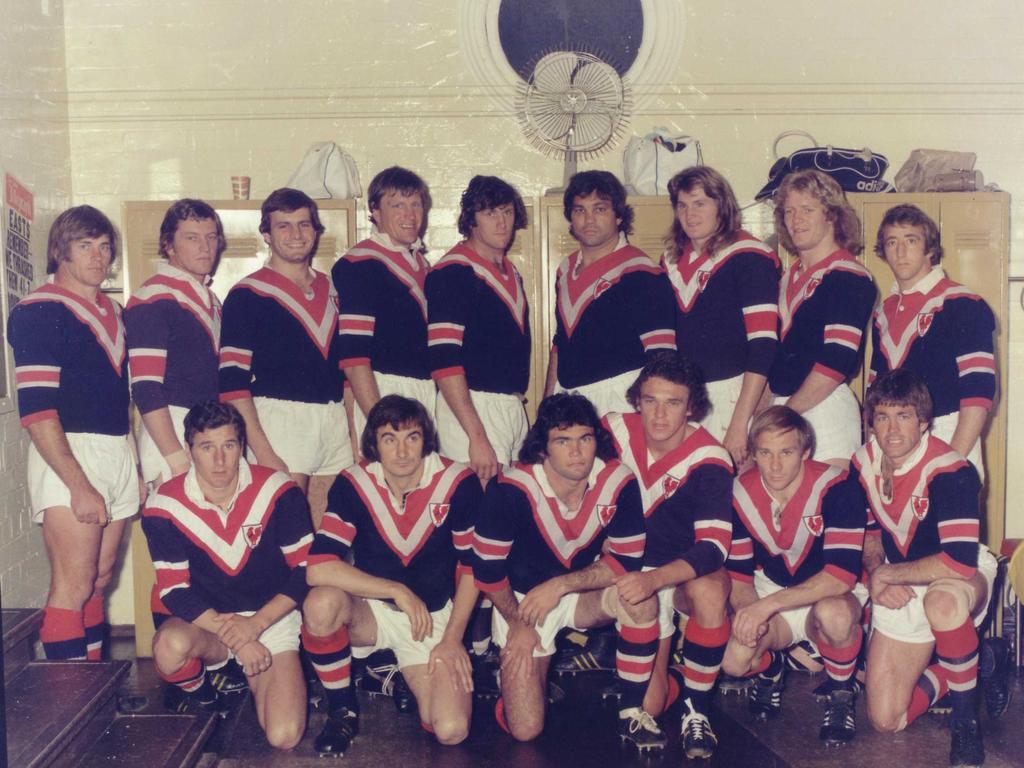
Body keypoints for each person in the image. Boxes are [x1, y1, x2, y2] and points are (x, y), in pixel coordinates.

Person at [473, 393, 665, 752]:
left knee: (640, 597)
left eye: (585, 438)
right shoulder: (511, 490)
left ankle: (631, 711)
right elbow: (485, 572)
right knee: (526, 729)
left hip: (577, 592)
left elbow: (627, 561)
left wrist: (560, 585)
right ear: (543, 448)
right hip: (523, 603)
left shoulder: (617, 480)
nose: (577, 452)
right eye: (563, 441)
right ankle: (514, 679)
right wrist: (518, 624)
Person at [302, 396, 481, 755]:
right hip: (373, 612)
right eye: (389, 438)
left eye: (411, 438)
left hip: (432, 620)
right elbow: (319, 566)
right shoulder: (354, 482)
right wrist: (396, 590)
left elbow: (474, 568)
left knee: (450, 729)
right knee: (321, 604)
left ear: (426, 439)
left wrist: (453, 637)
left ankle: (389, 670)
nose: (401, 452)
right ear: (374, 444)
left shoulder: (457, 481)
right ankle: (342, 710)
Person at [7, 205, 140, 662]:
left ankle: (93, 693)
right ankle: (69, 706)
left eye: (105, 247)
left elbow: (120, 400)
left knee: (100, 580)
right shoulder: (40, 311)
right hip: (68, 453)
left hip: (115, 449)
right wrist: (77, 483)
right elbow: (38, 412)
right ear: (60, 251)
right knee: (73, 582)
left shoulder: (113, 311)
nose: (98, 257)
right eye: (86, 246)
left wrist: (133, 464)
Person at [142, 400, 310, 748]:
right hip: (210, 625)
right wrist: (240, 638)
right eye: (207, 447)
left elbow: (305, 571)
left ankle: (250, 677)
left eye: (228, 445)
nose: (219, 460)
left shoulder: (279, 490)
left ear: (242, 447)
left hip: (271, 620)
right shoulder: (163, 505)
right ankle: (207, 699)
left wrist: (256, 626)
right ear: (189, 451)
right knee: (169, 647)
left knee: (285, 736)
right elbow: (174, 590)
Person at [855, 369, 996, 768]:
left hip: (957, 575)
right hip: (898, 574)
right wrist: (877, 573)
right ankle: (975, 660)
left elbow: (957, 560)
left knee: (944, 605)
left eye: (904, 415)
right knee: (886, 720)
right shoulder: (861, 464)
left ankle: (966, 724)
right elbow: (862, 537)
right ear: (871, 423)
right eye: (882, 417)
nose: (892, 428)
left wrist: (888, 574)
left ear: (924, 422)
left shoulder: (953, 470)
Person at [603, 352, 733, 759]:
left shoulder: (711, 457)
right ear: (636, 400)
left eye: (673, 403)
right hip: (624, 569)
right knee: (648, 706)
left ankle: (697, 708)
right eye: (649, 400)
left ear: (691, 405)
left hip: (677, 576)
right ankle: (678, 670)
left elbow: (713, 547)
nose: (659, 415)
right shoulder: (610, 431)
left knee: (711, 593)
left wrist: (654, 581)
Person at [722, 406, 868, 746]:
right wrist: (751, 615)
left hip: (827, 594)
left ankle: (841, 692)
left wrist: (765, 607)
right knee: (734, 662)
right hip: (774, 590)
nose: (774, 466)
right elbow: (741, 577)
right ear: (753, 453)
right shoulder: (738, 493)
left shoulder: (838, 486)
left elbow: (840, 576)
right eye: (765, 453)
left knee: (836, 614)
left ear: (806, 451)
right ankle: (773, 667)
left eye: (786, 452)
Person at [218, 187, 349, 525]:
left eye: (304, 225)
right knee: (286, 536)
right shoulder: (247, 294)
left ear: (316, 231)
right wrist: (264, 452)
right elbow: (232, 386)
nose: (296, 234)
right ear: (266, 234)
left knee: (331, 537)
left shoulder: (334, 290)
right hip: (280, 421)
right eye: (284, 226)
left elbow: (347, 372)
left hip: (334, 421)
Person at [662, 166, 780, 466]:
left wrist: (740, 424)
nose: (690, 214)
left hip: (733, 396)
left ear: (721, 206)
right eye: (682, 205)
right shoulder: (671, 261)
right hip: (684, 400)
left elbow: (763, 345)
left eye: (700, 203)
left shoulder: (750, 256)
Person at [869, 204, 995, 481]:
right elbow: (876, 391)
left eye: (911, 240)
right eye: (892, 242)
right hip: (894, 437)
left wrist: (953, 461)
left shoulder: (962, 302)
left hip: (948, 431)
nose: (900, 252)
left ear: (929, 249)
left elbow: (978, 392)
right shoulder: (883, 311)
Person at [544, 170, 676, 417]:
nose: (589, 219)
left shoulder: (642, 272)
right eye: (580, 210)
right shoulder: (565, 270)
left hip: (621, 401)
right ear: (570, 218)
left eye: (600, 209)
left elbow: (662, 358)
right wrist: (547, 408)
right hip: (569, 401)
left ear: (618, 216)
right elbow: (559, 346)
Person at [426, 175, 531, 484]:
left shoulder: (511, 271)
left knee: (511, 511)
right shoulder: (454, 271)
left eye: (507, 212)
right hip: (473, 408)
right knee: (480, 516)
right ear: (471, 220)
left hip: (510, 406)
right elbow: (444, 362)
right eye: (489, 214)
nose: (501, 223)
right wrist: (476, 435)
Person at [768, 170, 877, 467]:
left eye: (807, 209)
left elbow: (836, 360)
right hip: (783, 405)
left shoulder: (849, 275)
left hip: (823, 408)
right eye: (789, 211)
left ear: (831, 215)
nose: (795, 219)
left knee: (827, 507)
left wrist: (784, 415)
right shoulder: (786, 277)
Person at [126, 198, 225, 486]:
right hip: (173, 431)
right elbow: (145, 387)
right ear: (169, 245)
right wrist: (174, 456)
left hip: (210, 429)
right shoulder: (153, 297)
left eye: (211, 237)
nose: (205, 247)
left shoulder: (210, 299)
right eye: (192, 238)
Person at [334, 167, 436, 440]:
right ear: (375, 211)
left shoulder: (420, 263)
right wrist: (379, 425)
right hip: (384, 392)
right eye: (397, 205)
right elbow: (355, 360)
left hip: (423, 391)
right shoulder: (361, 264)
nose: (410, 215)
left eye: (415, 204)